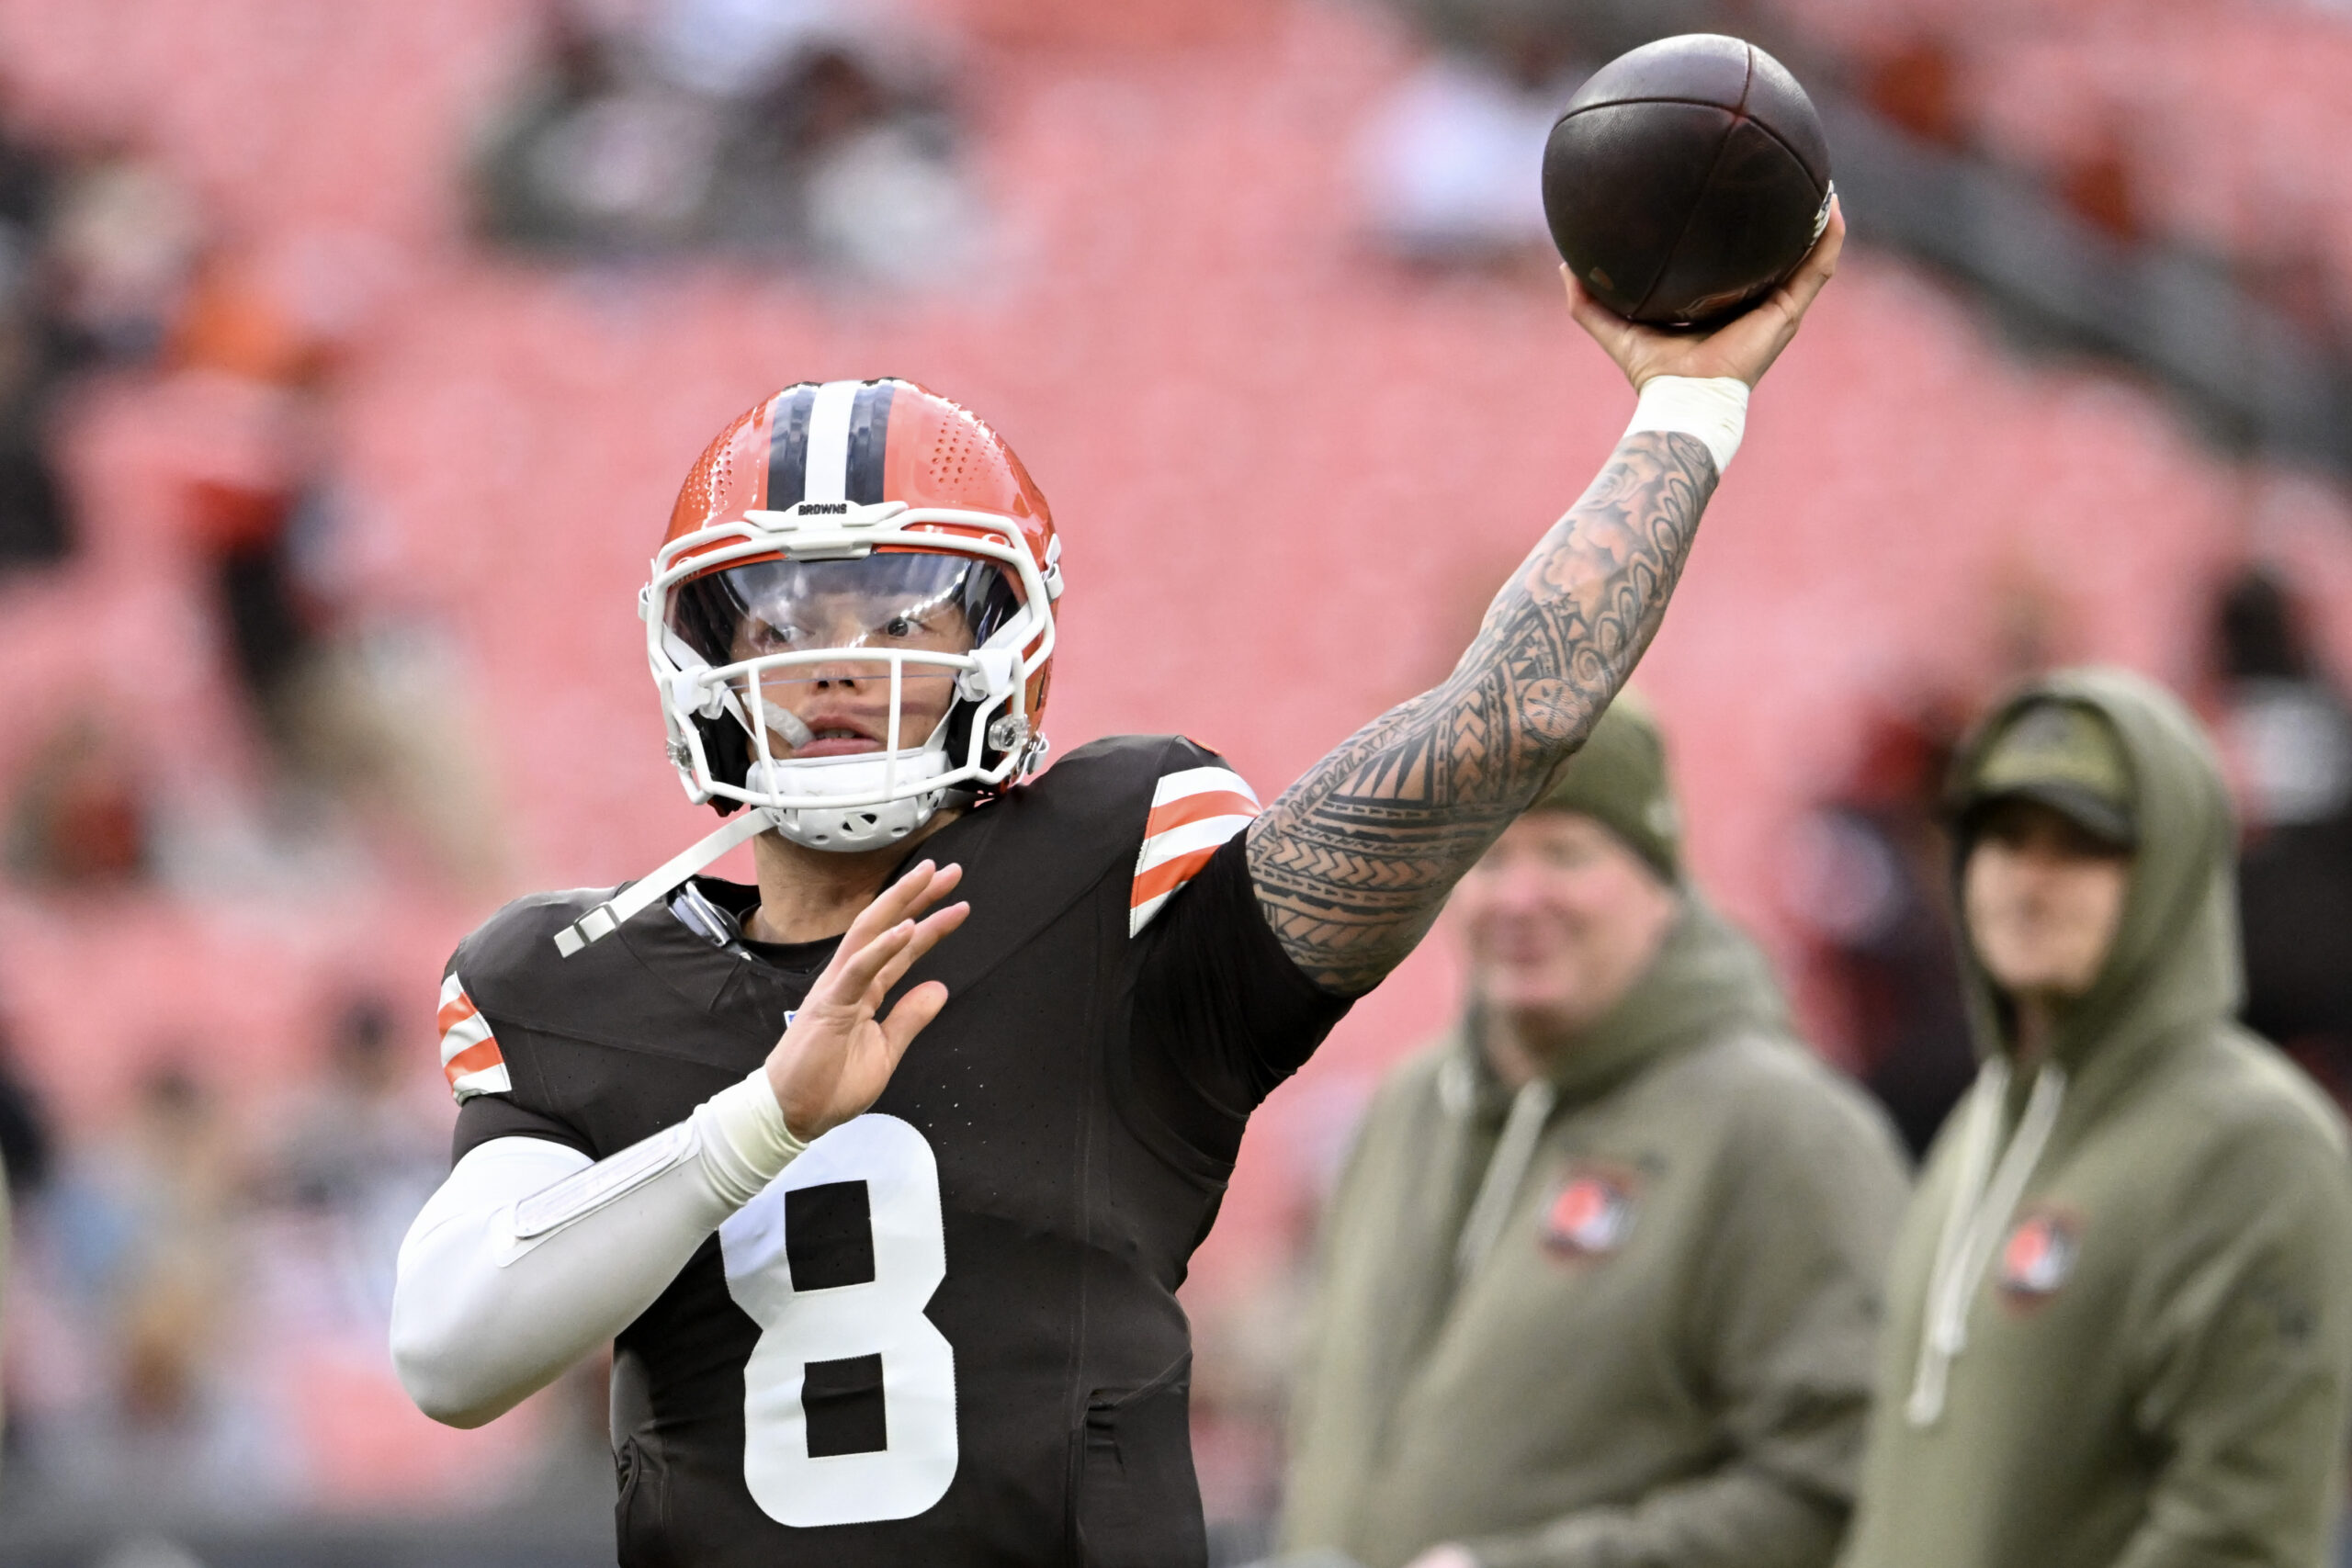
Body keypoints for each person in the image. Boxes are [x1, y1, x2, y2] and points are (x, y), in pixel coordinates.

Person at [388, 211, 1844, 1563]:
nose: (832, 660)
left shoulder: (1111, 878)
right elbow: (450, 1352)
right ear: (699, 650)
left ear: (1006, 638)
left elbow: (1502, 725)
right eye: (776, 612)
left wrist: (1687, 409)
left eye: (896, 609)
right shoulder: (577, 982)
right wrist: (760, 1120)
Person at [1277, 694, 1908, 1568]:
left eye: (1565, 853)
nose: (1520, 896)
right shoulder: (1409, 1108)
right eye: (1489, 854)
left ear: (1660, 886)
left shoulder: (1779, 1128)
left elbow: (1840, 1480)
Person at [1838, 669, 2352, 1568]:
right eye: (2002, 837)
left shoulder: (2255, 1141)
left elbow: (2238, 1530)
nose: (2027, 882)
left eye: (2082, 846)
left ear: (2171, 866)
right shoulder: (1980, 1127)